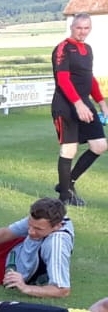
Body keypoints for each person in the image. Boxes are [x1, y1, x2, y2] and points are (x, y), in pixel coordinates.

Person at [51, 13, 106, 206]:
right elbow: (63, 80)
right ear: (72, 27)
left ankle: (67, 184)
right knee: (69, 149)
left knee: (99, 145)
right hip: (65, 105)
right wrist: (78, 103)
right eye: (79, 28)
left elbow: (89, 78)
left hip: (84, 103)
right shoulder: (63, 48)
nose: (82, 32)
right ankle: (64, 198)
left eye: (86, 28)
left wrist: (101, 102)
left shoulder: (88, 49)